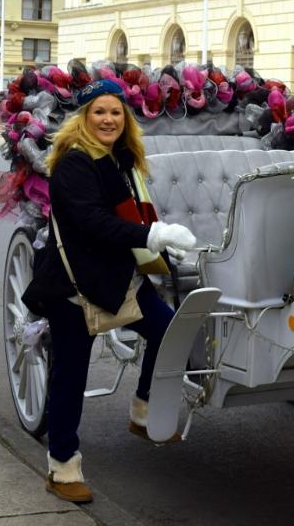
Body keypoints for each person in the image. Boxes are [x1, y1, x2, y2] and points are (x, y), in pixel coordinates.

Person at [22, 79, 197, 503]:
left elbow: (132, 214)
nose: (108, 119)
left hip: (121, 276)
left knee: (170, 332)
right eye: (99, 112)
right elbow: (93, 223)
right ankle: (62, 467)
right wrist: (153, 235)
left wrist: (157, 240)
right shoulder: (74, 162)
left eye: (115, 112)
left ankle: (144, 410)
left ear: (125, 118)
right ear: (84, 118)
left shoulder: (122, 158)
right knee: (70, 375)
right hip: (75, 284)